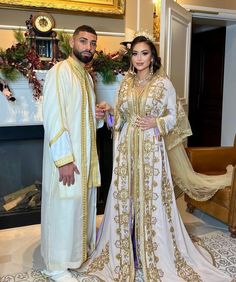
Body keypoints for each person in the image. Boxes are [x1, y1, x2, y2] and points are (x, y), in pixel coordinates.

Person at [76, 35, 232, 281]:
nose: (139, 58)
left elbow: (175, 118)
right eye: (135, 53)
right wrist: (109, 112)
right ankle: (128, 250)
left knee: (151, 199)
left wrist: (157, 122)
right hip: (126, 150)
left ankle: (152, 250)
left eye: (144, 53)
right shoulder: (125, 83)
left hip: (151, 149)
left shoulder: (163, 84)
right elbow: (121, 119)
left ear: (152, 57)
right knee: (126, 198)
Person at [41, 25, 105, 282]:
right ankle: (55, 265)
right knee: (63, 208)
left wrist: (97, 116)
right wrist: (64, 160)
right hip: (68, 159)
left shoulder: (87, 77)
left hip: (87, 158)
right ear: (72, 42)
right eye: (83, 41)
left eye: (92, 43)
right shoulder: (60, 72)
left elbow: (82, 118)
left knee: (79, 207)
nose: (88, 47)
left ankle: (75, 258)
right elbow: (54, 118)